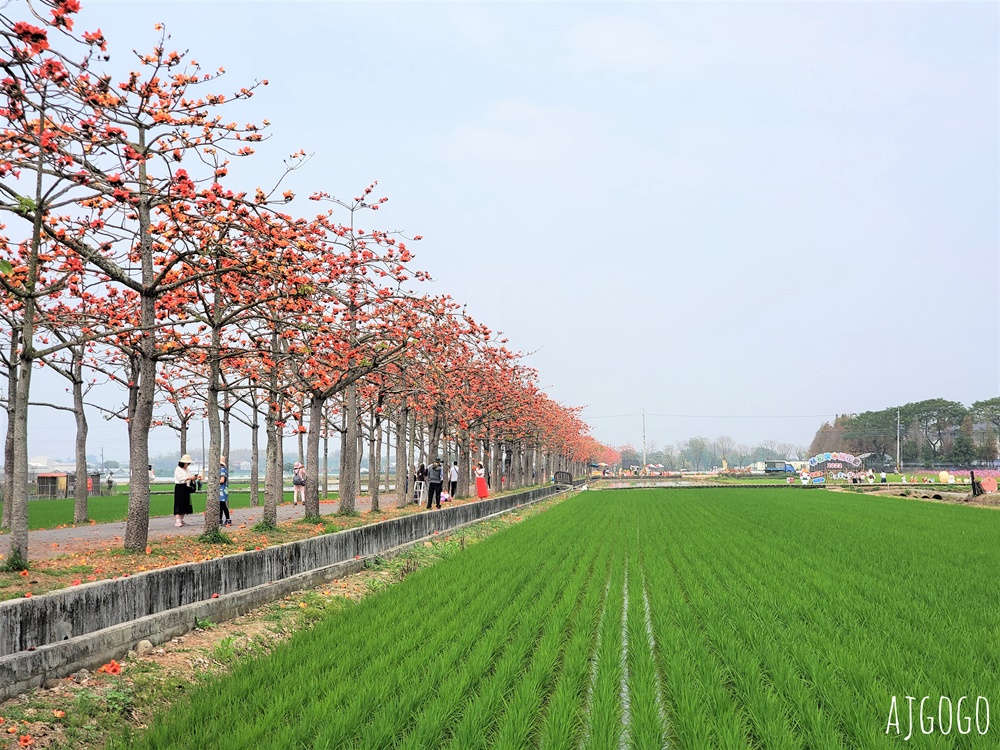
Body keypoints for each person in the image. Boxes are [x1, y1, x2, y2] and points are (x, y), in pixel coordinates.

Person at [174, 454, 198, 527]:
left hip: (186, 487)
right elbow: (181, 478)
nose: (187, 465)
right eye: (186, 463)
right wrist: (190, 478)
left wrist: (194, 478)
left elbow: (190, 477)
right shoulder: (178, 469)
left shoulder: (187, 470)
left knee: (185, 503)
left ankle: (181, 519)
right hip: (180, 487)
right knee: (179, 503)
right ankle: (177, 520)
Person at [219, 456, 231, 527]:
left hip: (222, 490)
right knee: (221, 505)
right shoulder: (223, 469)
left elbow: (222, 480)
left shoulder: (222, 470)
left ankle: (228, 519)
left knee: (223, 505)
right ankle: (220, 519)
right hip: (222, 489)